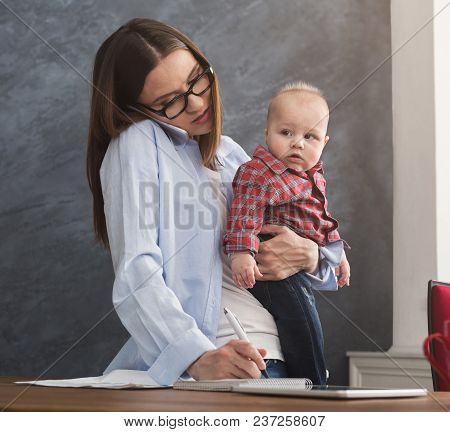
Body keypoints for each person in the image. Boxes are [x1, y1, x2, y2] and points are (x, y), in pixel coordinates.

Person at [86, 18, 341, 386]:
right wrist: (195, 357)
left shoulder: (231, 154)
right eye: (170, 101)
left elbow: (304, 250)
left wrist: (313, 255)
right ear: (137, 110)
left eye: (196, 80)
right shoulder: (139, 143)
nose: (196, 103)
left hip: (289, 360)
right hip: (230, 363)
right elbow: (136, 272)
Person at [223, 83, 350, 383]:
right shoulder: (259, 172)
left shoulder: (313, 177)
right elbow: (244, 213)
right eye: (286, 133)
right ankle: (315, 385)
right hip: (265, 258)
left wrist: (338, 254)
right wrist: (242, 253)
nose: (298, 144)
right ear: (268, 133)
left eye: (310, 137)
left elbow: (319, 220)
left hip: (295, 267)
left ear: (324, 142)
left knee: (304, 320)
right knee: (301, 319)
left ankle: (308, 380)